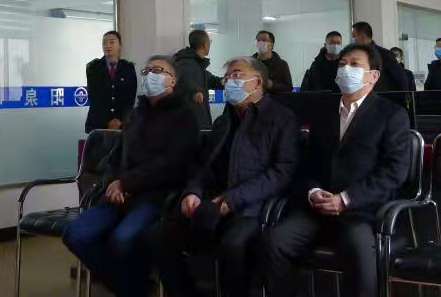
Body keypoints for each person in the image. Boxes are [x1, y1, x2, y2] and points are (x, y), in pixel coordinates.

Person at [262, 44, 411, 297]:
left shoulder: (391, 115)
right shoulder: (324, 113)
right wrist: (312, 192)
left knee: (361, 256)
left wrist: (345, 199)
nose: (345, 69)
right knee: (275, 241)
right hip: (317, 209)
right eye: (342, 64)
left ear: (373, 76)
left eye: (355, 64)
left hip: (360, 211)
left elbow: (394, 172)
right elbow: (307, 164)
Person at [147, 57, 298, 297]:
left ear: (258, 82)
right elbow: (204, 165)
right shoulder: (223, 121)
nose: (229, 81)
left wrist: (233, 198)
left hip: (253, 208)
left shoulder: (282, 118)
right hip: (213, 202)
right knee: (159, 235)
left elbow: (282, 172)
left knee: (233, 244)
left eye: (236, 75)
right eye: (226, 77)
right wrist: (193, 192)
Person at [63, 56, 197, 297]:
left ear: (173, 80)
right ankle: (132, 287)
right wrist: (112, 184)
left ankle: (132, 286)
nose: (150, 75)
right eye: (147, 70)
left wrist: (126, 182)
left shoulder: (184, 115)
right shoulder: (134, 115)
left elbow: (172, 163)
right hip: (118, 195)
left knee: (122, 239)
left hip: (155, 196)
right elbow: (115, 157)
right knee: (75, 234)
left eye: (158, 70)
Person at [85, 31, 138, 133]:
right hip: (98, 124)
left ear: (120, 46)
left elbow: (130, 99)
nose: (107, 45)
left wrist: (120, 121)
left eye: (112, 42)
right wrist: (108, 121)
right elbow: (94, 98)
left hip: (122, 124)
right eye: (104, 42)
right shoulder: (93, 68)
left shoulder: (128, 68)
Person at [174, 30, 223, 128]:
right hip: (192, 124)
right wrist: (194, 91)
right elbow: (185, 81)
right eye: (210, 43)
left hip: (198, 121)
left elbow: (212, 81)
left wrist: (229, 81)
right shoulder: (187, 64)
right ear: (205, 45)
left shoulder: (196, 65)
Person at [351, 22, 408, 92]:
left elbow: (400, 78)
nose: (353, 39)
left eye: (354, 36)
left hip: (381, 96)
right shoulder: (354, 56)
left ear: (363, 36)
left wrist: (403, 96)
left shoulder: (384, 55)